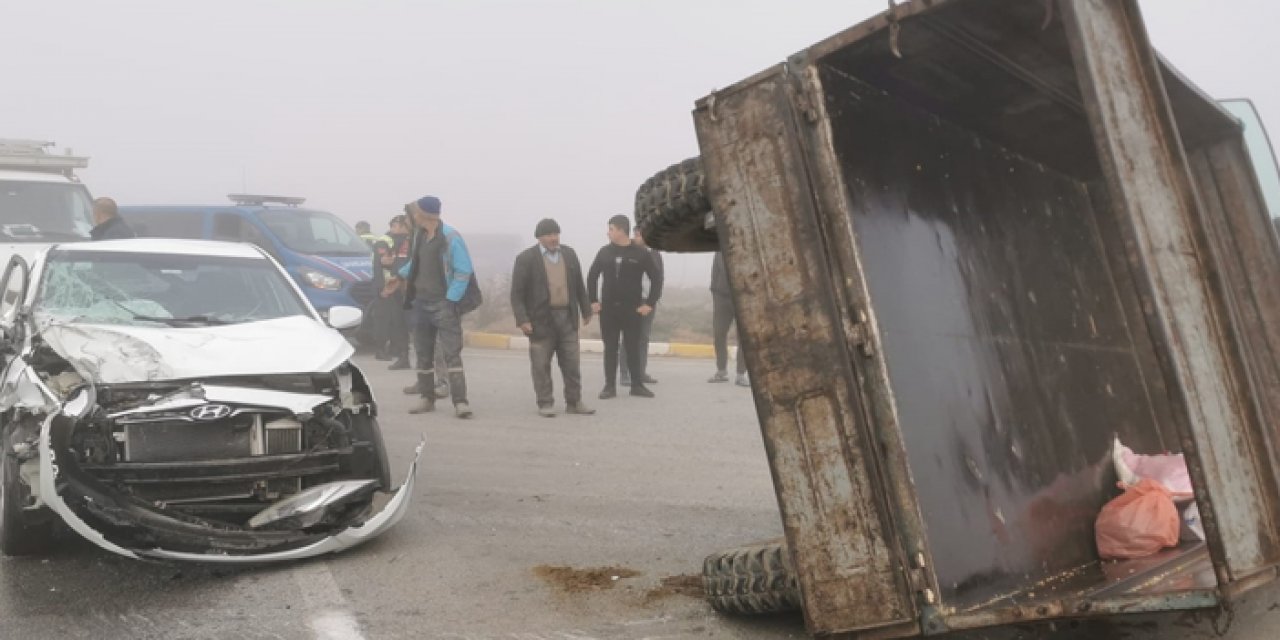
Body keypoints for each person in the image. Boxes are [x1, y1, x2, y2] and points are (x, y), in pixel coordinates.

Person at [510, 218, 595, 417]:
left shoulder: (569, 254)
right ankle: (545, 403)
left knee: (572, 363)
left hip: (567, 317)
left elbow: (579, 286)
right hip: (540, 320)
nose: (553, 238)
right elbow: (517, 293)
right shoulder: (526, 258)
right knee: (541, 365)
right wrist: (522, 319)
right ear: (539, 237)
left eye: (556, 234)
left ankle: (574, 402)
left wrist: (586, 309)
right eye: (549, 235)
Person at [402, 196, 475, 418]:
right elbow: (415, 264)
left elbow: (464, 271)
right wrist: (398, 276)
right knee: (423, 354)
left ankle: (460, 402)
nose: (413, 216)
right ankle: (427, 398)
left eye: (416, 212)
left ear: (424, 214)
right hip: (421, 303)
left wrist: (452, 300)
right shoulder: (419, 236)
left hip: (444, 304)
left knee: (452, 354)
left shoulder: (450, 237)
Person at [587, 214, 662, 399]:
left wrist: (649, 304)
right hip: (609, 310)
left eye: (611, 229)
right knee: (610, 348)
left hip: (632, 309)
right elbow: (592, 276)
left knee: (633, 347)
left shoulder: (640, 253)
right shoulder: (604, 252)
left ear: (621, 230)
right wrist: (593, 301)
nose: (608, 232)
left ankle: (637, 385)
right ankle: (609, 386)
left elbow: (656, 278)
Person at [619, 227, 662, 387]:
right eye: (635, 234)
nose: (636, 237)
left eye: (639, 235)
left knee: (643, 338)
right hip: (631, 302)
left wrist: (652, 301)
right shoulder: (628, 252)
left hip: (648, 302)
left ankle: (640, 372)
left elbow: (659, 278)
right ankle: (624, 373)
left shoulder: (655, 254)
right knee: (628, 337)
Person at [709, 251, 749, 386]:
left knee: (743, 338)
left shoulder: (746, 250)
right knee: (719, 333)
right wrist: (716, 296)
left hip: (742, 297)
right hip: (721, 298)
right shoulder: (719, 252)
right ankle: (721, 371)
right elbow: (714, 275)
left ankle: (740, 374)